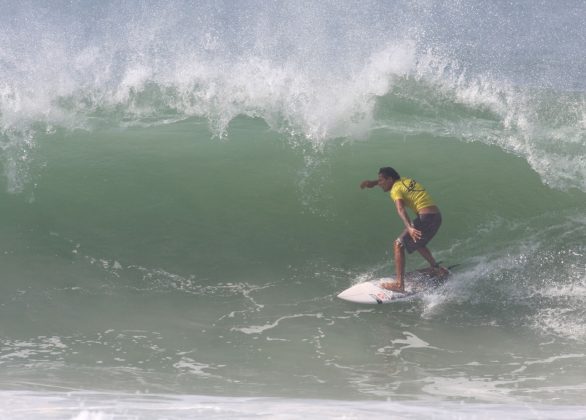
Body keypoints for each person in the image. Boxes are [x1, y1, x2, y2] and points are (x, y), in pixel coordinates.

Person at [360, 167, 447, 292]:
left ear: (389, 179)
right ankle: (436, 268)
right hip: (435, 216)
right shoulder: (404, 180)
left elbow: (400, 209)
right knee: (418, 242)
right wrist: (372, 183)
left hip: (427, 217)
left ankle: (399, 285)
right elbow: (387, 180)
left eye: (381, 181)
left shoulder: (395, 190)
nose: (380, 184)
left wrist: (410, 227)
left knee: (398, 244)